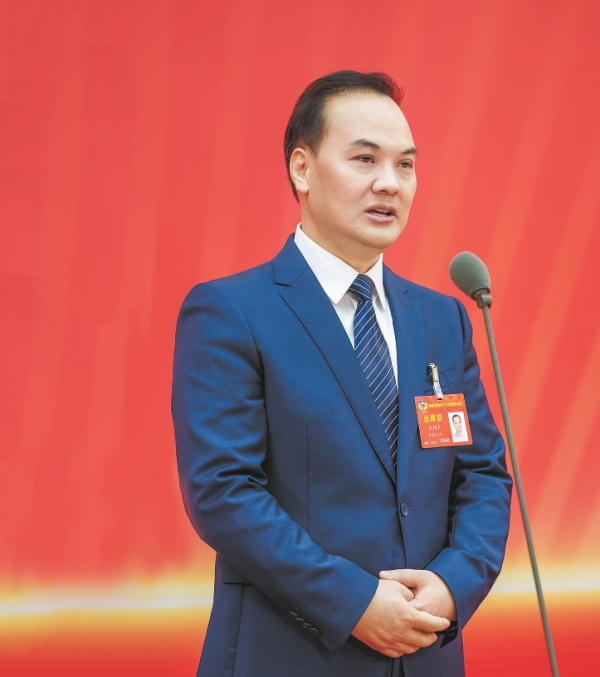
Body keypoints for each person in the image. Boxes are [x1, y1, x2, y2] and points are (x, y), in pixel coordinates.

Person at [172, 70, 512, 677]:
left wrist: (453, 584)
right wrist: (355, 603)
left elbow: (482, 474)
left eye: (405, 165)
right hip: (289, 654)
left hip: (427, 652)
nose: (390, 183)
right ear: (302, 169)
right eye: (364, 159)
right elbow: (224, 492)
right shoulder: (232, 312)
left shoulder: (442, 319)